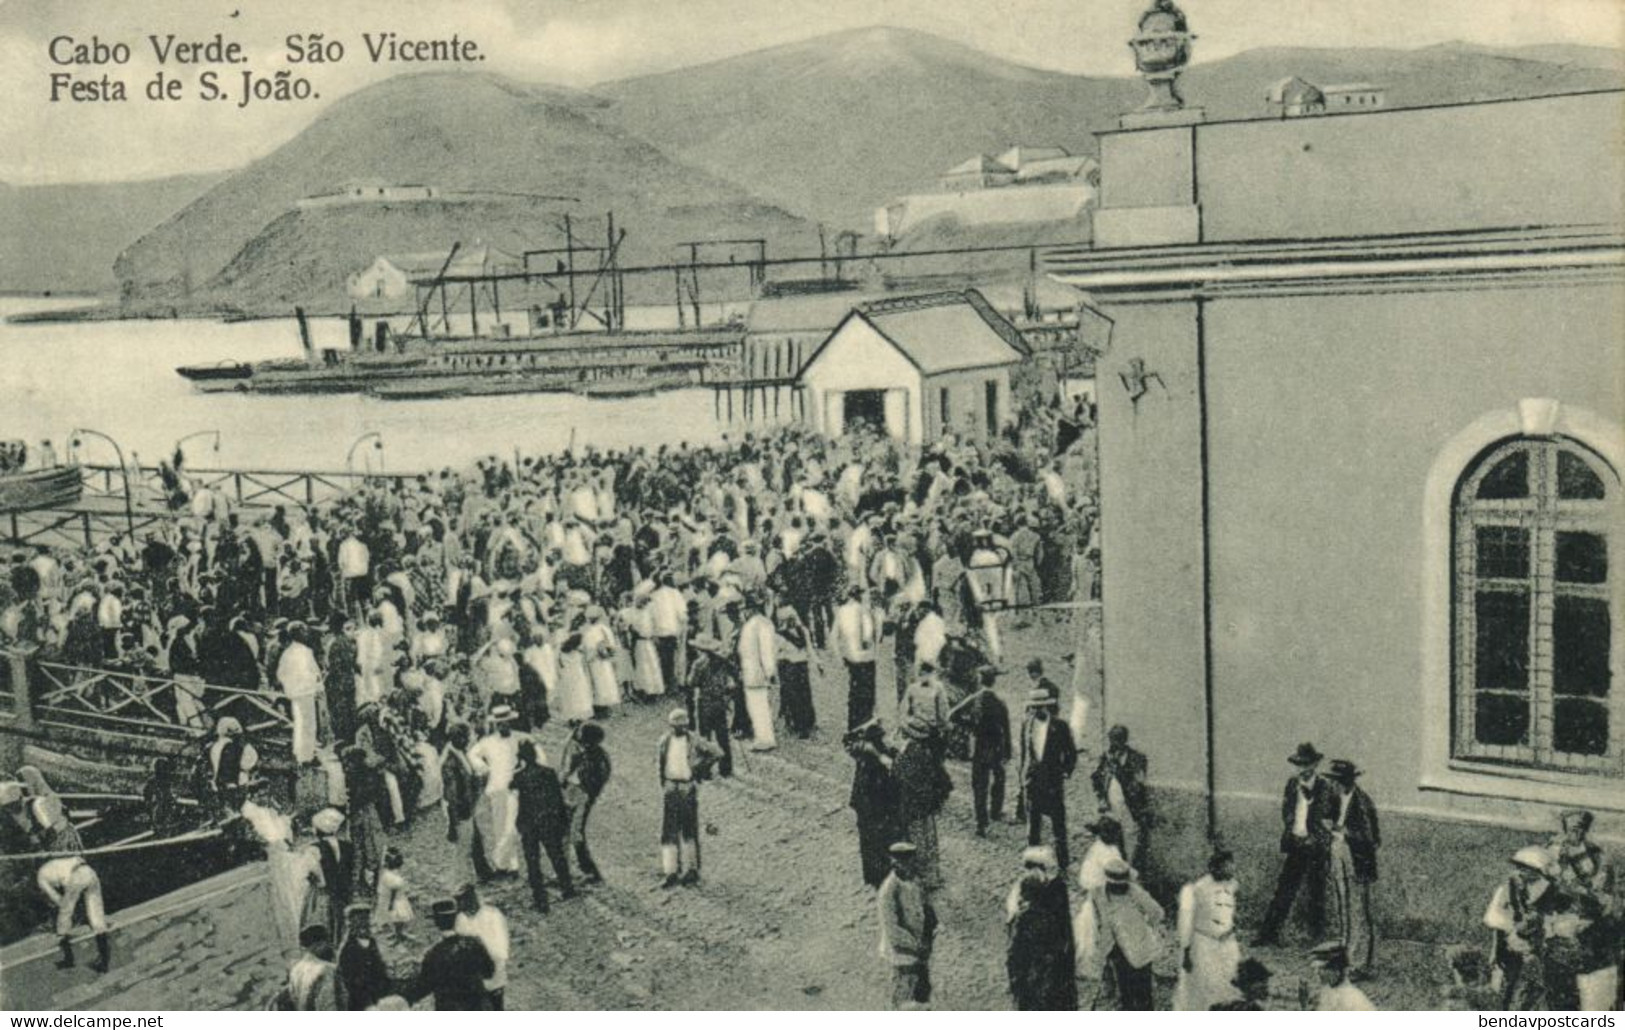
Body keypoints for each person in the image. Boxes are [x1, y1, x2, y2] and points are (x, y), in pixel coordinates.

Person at [1254, 742, 1332, 946]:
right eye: (1299, 765)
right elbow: (1287, 811)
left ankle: (1316, 937)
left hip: (1315, 846)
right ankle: (1268, 934)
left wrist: (1314, 837)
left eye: (1306, 764)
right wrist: (1293, 830)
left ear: (1314, 765)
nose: (1302, 769)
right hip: (1296, 844)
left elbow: (1324, 817)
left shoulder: (1324, 787)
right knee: (1284, 890)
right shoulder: (1291, 784)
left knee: (1316, 892)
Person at [1324, 758, 1380, 980]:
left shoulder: (1362, 802)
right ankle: (1347, 956)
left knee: (1358, 912)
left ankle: (1360, 964)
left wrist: (1345, 832)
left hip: (1357, 861)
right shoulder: (1337, 798)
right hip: (1339, 855)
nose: (1332, 785)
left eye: (1335, 781)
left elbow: (1372, 839)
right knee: (1344, 909)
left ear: (1345, 782)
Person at [1083, 857, 1163, 1010]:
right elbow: (1096, 922)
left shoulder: (1135, 892)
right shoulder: (1098, 895)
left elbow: (1157, 913)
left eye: (1122, 884)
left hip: (1140, 948)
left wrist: (1145, 927)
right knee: (1126, 992)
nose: (1119, 888)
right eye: (1116, 885)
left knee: (1144, 994)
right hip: (1118, 950)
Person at [1005, 845, 1078, 1010]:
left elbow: (1014, 953)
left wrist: (1016, 984)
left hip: (1038, 975)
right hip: (1052, 969)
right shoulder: (1056, 888)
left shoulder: (1024, 908)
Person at [1484, 845, 1558, 1009]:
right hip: (1509, 948)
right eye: (1519, 867)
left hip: (1536, 950)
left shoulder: (1548, 890)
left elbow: (1551, 920)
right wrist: (1510, 930)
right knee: (1504, 989)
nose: (1520, 872)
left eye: (1526, 868)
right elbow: (1495, 919)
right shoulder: (1508, 888)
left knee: (1532, 991)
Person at [657, 707, 722, 887]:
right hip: (671, 788)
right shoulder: (664, 741)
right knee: (668, 831)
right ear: (671, 726)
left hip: (687, 787)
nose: (681, 729)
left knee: (688, 829)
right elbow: (660, 765)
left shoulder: (695, 741)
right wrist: (664, 784)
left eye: (683, 725)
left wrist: (700, 770)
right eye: (677, 726)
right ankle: (670, 871)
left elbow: (717, 753)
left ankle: (691, 870)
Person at [1173, 847, 1241, 1011]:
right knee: (1201, 987)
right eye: (1227, 866)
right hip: (1204, 943)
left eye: (1232, 865)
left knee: (1227, 984)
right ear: (1215, 868)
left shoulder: (1233, 885)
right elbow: (1185, 922)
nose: (1232, 869)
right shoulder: (1197, 889)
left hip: (1227, 943)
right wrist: (1186, 951)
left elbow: (1231, 909)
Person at [513, 738, 575, 912]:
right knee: (557, 856)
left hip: (529, 824)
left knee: (533, 862)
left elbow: (511, 786)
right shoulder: (549, 772)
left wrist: (517, 764)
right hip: (549, 822)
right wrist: (562, 820)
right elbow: (558, 798)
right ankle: (567, 888)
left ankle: (540, 899)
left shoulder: (519, 776)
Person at [1019, 689, 1076, 870]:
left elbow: (1071, 752)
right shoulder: (1026, 724)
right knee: (1033, 827)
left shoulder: (1060, 726)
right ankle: (1034, 865)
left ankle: (1063, 864)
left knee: (1058, 826)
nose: (1037, 711)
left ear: (1047, 706)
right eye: (1033, 707)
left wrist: (1066, 771)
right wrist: (1023, 777)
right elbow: (1024, 753)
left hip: (1053, 783)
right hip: (1033, 782)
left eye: (1040, 707)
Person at [949, 665, 1010, 836]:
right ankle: (995, 811)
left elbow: (953, 715)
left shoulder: (974, 699)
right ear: (994, 681)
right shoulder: (999, 702)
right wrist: (1007, 751)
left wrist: (970, 726)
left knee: (979, 784)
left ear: (980, 680)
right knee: (999, 778)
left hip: (980, 746)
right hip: (996, 746)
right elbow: (1006, 728)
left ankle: (980, 822)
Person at [877, 841, 938, 1010]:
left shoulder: (914, 881)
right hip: (902, 955)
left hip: (920, 954)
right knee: (905, 1003)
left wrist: (929, 933)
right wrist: (917, 946)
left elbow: (925, 908)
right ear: (894, 862)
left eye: (911, 861)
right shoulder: (888, 891)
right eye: (903, 862)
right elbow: (892, 929)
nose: (909, 865)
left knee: (923, 997)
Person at [407, 898, 496, 1011]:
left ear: (436, 923)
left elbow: (423, 987)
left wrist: (404, 996)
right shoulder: (474, 943)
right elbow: (489, 972)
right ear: (455, 919)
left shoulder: (433, 955)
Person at [893, 716, 949, 892]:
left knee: (918, 842)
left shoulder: (908, 753)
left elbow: (899, 774)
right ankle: (933, 876)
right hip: (927, 805)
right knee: (930, 841)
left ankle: (923, 878)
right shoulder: (926, 751)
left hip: (913, 806)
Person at [845, 719, 902, 888]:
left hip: (864, 806)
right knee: (880, 840)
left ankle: (872, 875)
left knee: (868, 842)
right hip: (876, 807)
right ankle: (881, 874)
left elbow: (847, 740)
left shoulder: (862, 756)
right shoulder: (879, 759)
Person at [467, 706, 522, 877]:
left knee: (512, 827)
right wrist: (484, 768)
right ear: (496, 725)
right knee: (500, 825)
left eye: (506, 723)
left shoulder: (519, 739)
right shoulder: (488, 742)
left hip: (516, 786)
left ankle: (504, 861)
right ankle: (507, 864)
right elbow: (472, 754)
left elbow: (533, 755)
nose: (503, 726)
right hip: (497, 787)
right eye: (500, 724)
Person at [1090, 724, 1150, 870]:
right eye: (1112, 740)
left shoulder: (1137, 758)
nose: (1114, 744)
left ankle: (1130, 870)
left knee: (1131, 841)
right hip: (1111, 806)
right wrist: (1101, 797)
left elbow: (1138, 783)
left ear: (1124, 740)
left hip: (1130, 808)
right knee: (1111, 841)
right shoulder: (1106, 757)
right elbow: (1096, 777)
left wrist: (1118, 767)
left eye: (1117, 740)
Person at [36, 855, 111, 972]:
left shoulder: (41, 879)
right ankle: (104, 962)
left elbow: (57, 899)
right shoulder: (55, 864)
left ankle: (68, 959)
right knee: (97, 917)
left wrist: (61, 927)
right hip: (88, 871)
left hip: (76, 875)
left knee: (64, 914)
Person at [560, 722, 610, 884]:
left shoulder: (594, 758)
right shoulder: (590, 754)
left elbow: (592, 783)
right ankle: (565, 871)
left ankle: (589, 871)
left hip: (581, 796)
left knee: (575, 834)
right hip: (575, 793)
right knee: (567, 833)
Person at [453, 883, 510, 1010]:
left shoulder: (492, 915)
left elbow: (501, 948)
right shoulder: (460, 919)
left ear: (472, 899)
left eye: (463, 901)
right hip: (472, 977)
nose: (460, 906)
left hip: (493, 973)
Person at [684, 635, 734, 778]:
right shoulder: (723, 662)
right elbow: (733, 678)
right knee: (723, 737)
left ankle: (705, 770)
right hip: (720, 702)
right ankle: (726, 769)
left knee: (705, 738)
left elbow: (691, 682)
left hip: (705, 703)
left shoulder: (699, 664)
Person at [440, 723, 484, 882]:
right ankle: (462, 882)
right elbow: (452, 794)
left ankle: (483, 871)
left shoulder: (459, 752)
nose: (468, 740)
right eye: (466, 737)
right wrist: (454, 821)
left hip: (467, 806)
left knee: (476, 839)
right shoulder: (450, 762)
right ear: (458, 738)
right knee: (464, 847)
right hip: (461, 810)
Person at [834, 585, 879, 728]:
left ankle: (853, 723)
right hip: (865, 658)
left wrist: (841, 656)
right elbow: (867, 636)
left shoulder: (841, 611)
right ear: (859, 596)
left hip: (850, 658)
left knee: (854, 691)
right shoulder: (863, 610)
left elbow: (834, 637)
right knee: (867, 692)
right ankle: (865, 722)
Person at [737, 598, 778, 751]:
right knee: (755, 706)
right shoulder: (752, 624)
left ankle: (765, 739)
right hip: (750, 671)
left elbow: (766, 650)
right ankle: (762, 737)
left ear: (753, 609)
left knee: (760, 706)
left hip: (757, 672)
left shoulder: (762, 624)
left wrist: (769, 671)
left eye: (745, 609)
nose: (744, 612)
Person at [336, 904, 393, 1011]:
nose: (363, 925)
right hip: (357, 1001)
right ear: (351, 924)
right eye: (359, 921)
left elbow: (379, 967)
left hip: (376, 997)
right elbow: (348, 979)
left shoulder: (372, 943)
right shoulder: (348, 948)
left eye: (365, 920)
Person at [774, 605, 815, 738]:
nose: (793, 621)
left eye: (793, 618)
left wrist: (817, 662)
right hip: (788, 667)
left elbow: (809, 648)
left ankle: (807, 723)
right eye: (789, 619)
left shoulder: (803, 631)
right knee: (793, 697)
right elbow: (775, 653)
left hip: (801, 665)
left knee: (805, 694)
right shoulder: (779, 636)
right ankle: (797, 725)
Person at [284, 923, 339, 1010]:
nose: (329, 946)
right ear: (319, 944)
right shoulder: (327, 969)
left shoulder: (295, 970)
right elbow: (328, 1005)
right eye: (327, 942)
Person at [1308, 941, 1376, 1010]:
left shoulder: (1354, 999)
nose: (1318, 973)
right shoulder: (1326, 991)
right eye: (1316, 969)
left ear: (1337, 970)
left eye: (1322, 969)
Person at [375, 846, 414, 946]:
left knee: (398, 919)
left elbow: (394, 890)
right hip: (393, 898)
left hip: (396, 899)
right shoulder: (388, 874)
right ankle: (397, 934)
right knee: (395, 919)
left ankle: (399, 935)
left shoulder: (391, 875)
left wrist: (391, 904)